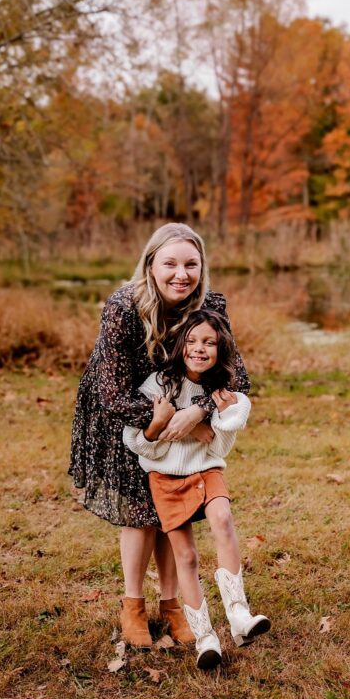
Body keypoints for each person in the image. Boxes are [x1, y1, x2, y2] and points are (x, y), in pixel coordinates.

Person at [69, 223, 250, 648]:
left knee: (173, 511)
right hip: (124, 412)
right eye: (169, 263)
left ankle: (174, 607)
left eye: (191, 264)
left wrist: (198, 410)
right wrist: (161, 421)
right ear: (151, 265)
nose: (180, 274)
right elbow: (110, 393)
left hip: (182, 410)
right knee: (139, 510)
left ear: (202, 267)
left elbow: (237, 375)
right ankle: (132, 605)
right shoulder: (123, 306)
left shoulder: (211, 305)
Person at [123, 309, 271, 669]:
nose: (199, 349)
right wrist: (159, 426)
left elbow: (217, 449)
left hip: (206, 470)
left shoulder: (219, 390)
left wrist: (221, 421)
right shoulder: (157, 384)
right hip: (166, 479)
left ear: (222, 348)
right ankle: (205, 637)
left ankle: (238, 614)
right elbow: (136, 442)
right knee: (185, 557)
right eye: (191, 341)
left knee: (223, 519)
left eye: (209, 342)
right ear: (178, 344)